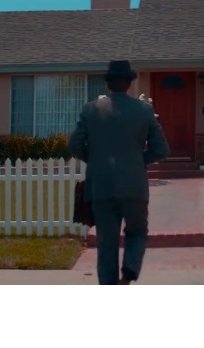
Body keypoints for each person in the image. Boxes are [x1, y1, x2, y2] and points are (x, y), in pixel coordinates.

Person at [68, 60, 170, 285]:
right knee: (137, 231)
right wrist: (137, 161)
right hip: (134, 186)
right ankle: (129, 272)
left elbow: (74, 145)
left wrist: (96, 160)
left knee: (106, 243)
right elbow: (161, 148)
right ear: (129, 84)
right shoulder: (144, 110)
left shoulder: (91, 110)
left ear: (108, 84)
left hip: (101, 187)